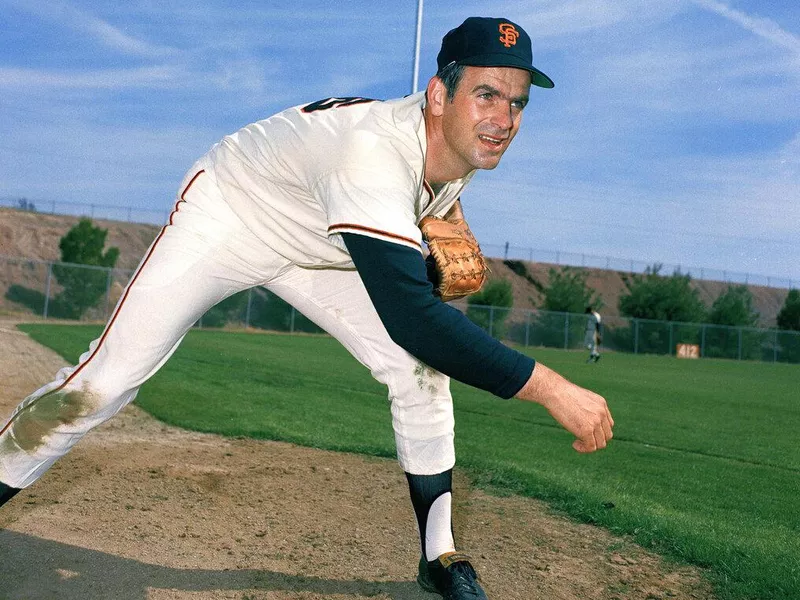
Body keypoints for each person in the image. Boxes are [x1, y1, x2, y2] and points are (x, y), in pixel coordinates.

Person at [0, 17, 613, 600]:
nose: (503, 118)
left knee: (418, 373)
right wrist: (554, 388)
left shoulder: (456, 148)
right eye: (486, 95)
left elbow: (427, 208)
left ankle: (440, 555)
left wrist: (446, 216)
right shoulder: (373, 155)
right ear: (437, 94)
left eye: (518, 101)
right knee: (102, 385)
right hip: (232, 213)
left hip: (316, 244)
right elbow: (415, 319)